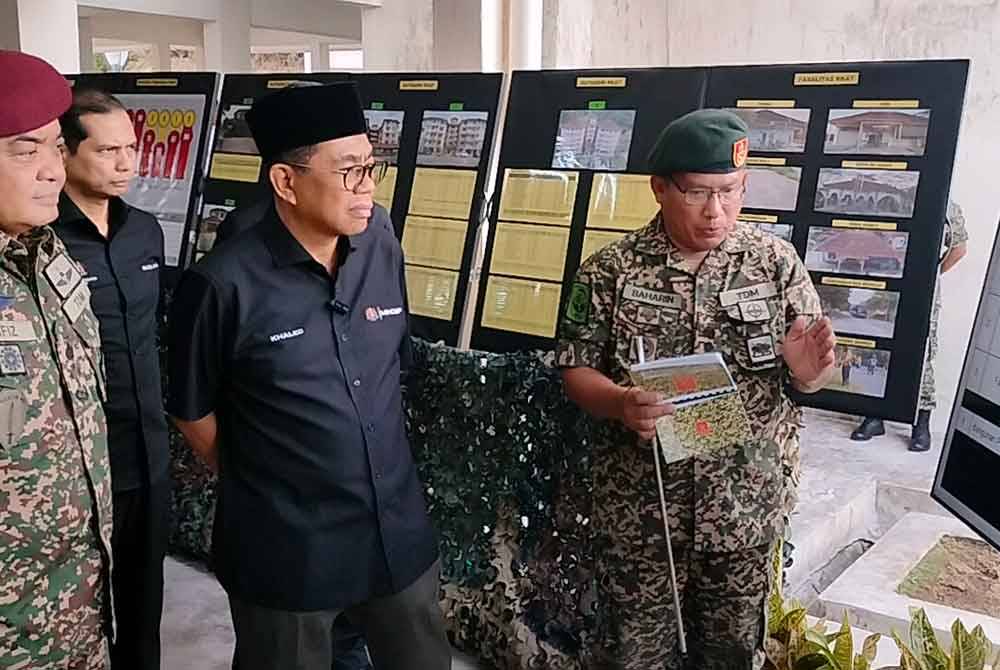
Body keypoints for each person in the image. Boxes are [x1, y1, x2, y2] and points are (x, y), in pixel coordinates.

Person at [166, 82, 450, 670]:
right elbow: (192, 410)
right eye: (348, 169)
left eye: (372, 165)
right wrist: (268, 482)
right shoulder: (223, 284)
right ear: (285, 182)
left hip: (393, 529)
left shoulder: (379, 243)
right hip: (289, 548)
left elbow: (394, 360)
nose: (367, 184)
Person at [556, 109, 836, 669]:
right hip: (641, 512)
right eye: (698, 194)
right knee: (634, 655)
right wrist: (619, 402)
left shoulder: (774, 265)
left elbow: (813, 376)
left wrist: (808, 370)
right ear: (660, 188)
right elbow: (573, 367)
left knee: (732, 654)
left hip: (741, 509)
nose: (716, 212)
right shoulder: (611, 271)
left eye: (730, 192)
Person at [0, 50, 113, 669]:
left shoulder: (49, 257)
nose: (51, 171)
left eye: (54, 147)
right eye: (24, 150)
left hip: (79, 605)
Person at [51, 88, 170, 670]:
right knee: (79, 605)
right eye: (108, 151)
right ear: (66, 153)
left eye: (132, 148)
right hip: (81, 463)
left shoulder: (146, 232)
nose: (127, 164)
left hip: (148, 450)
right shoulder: (40, 241)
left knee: (145, 602)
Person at [851, 200, 968, 452]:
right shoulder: (895, 202)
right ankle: (874, 416)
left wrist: (930, 274)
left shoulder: (948, 206)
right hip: (888, 290)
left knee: (922, 356)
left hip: (923, 294)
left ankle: (921, 424)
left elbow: (958, 248)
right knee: (879, 349)